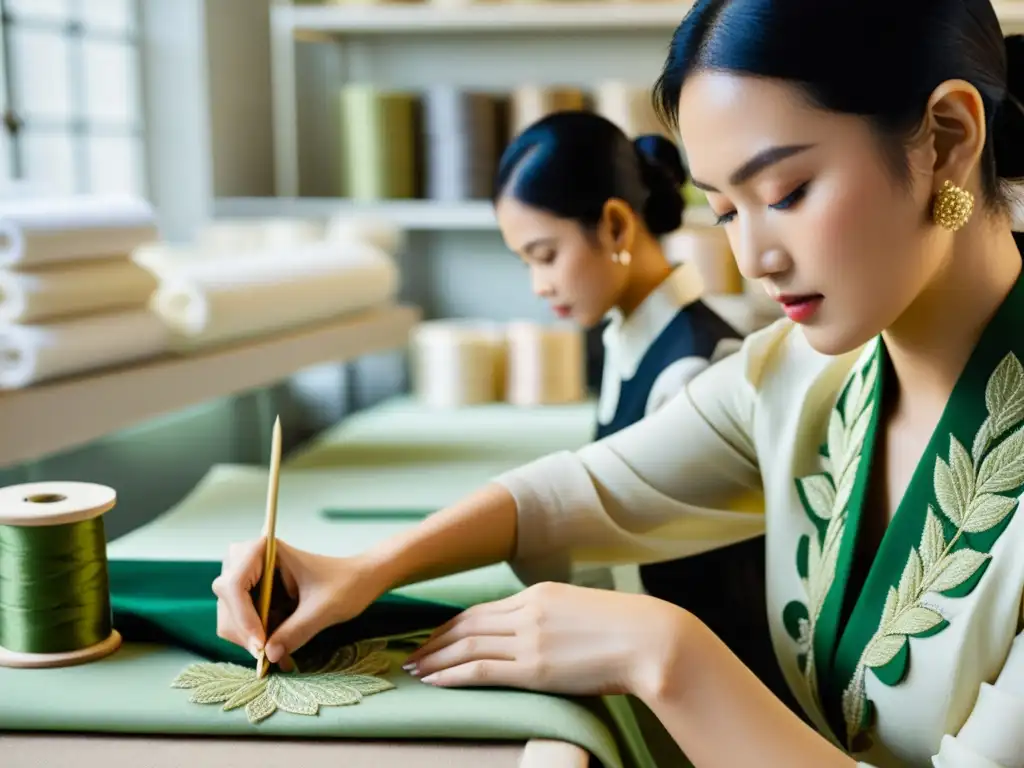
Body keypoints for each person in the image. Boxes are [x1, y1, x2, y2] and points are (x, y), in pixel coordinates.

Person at [213, 1, 1024, 765]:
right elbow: (590, 490)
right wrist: (364, 569)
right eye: (727, 211)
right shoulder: (804, 372)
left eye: (787, 192)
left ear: (946, 137)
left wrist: (664, 654)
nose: (755, 260)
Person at [489, 109, 782, 704]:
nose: (538, 286)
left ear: (617, 226)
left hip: (715, 688)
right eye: (527, 263)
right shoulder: (627, 340)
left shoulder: (699, 365)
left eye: (545, 255)